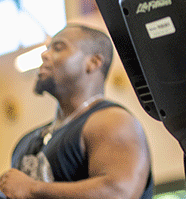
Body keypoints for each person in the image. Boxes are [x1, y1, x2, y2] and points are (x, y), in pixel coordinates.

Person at [0, 24, 153, 199]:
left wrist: (33, 189)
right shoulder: (28, 140)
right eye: (47, 48)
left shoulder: (111, 120)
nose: (44, 54)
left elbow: (119, 193)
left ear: (93, 62)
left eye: (58, 47)